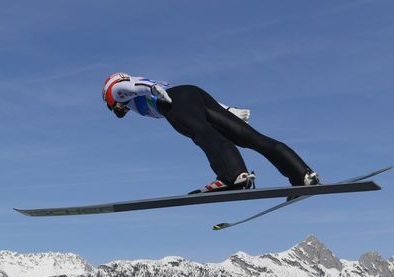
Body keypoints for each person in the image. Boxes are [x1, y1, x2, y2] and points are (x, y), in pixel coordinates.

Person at [102, 72, 320, 193]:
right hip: (193, 93)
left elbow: (132, 86)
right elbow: (195, 100)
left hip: (172, 102)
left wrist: (150, 90)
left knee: (202, 133)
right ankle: (301, 174)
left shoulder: (116, 89)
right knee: (251, 138)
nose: (118, 110)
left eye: (112, 106)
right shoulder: (147, 84)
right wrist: (227, 110)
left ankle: (233, 175)